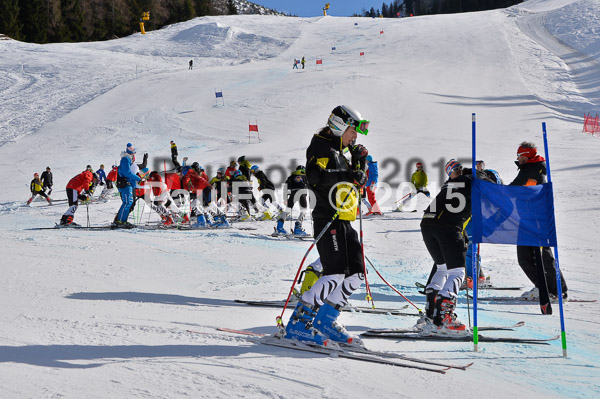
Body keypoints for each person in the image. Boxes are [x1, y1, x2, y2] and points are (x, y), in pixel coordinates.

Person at [283, 105, 370, 346]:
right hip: (328, 217)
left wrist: (359, 163)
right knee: (334, 274)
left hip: (345, 219)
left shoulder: (341, 151)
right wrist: (349, 174)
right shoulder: (321, 145)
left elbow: (355, 182)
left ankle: (325, 320)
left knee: (355, 276)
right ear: (340, 125)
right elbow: (315, 178)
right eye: (353, 131)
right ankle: (298, 323)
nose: (355, 136)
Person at [418, 159, 492, 335]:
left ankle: (431, 314)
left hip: (427, 224)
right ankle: (445, 318)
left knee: (442, 268)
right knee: (458, 272)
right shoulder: (469, 181)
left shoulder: (448, 185)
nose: (458, 171)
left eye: (458, 168)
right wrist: (475, 173)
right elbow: (489, 184)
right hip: (447, 227)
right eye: (456, 169)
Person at [509, 142, 568, 300]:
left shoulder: (534, 169)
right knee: (525, 257)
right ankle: (544, 288)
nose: (518, 158)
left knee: (543, 256)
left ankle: (557, 291)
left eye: (520, 155)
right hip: (527, 219)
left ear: (528, 155)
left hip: (537, 220)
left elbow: (513, 189)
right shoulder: (530, 169)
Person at [463, 160, 503, 287]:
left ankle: (472, 277)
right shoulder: (477, 183)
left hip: (471, 222)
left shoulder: (485, 187)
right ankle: (477, 276)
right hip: (467, 220)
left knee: (470, 249)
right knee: (470, 249)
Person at [274, 165, 310, 236]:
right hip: (302, 193)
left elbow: (285, 187)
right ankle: (297, 228)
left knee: (287, 210)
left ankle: (279, 227)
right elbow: (310, 186)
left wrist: (285, 198)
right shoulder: (305, 176)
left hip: (293, 193)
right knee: (303, 210)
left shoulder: (291, 177)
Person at [113, 143, 142, 229]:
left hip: (128, 183)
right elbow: (127, 172)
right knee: (127, 202)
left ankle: (122, 220)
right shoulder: (126, 159)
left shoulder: (128, 158)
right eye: (130, 148)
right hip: (125, 183)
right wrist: (137, 178)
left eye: (132, 148)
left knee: (129, 202)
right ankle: (120, 221)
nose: (132, 150)